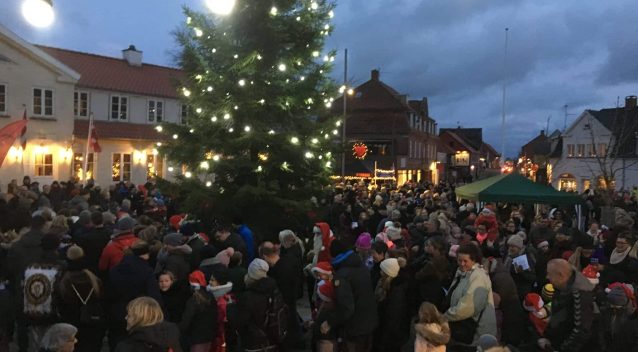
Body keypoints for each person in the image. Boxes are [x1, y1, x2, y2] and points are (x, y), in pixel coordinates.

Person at [322, 239, 378, 352]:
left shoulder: (342, 275)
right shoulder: (361, 266)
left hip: (355, 327)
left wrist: (330, 322)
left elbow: (346, 307)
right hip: (369, 322)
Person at [108, 240, 163, 350]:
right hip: (138, 312)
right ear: (146, 254)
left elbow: (108, 291)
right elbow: (153, 295)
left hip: (116, 310)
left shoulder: (115, 269)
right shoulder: (146, 271)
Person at [443, 243, 497, 346]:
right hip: (462, 327)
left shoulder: (478, 277)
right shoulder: (462, 272)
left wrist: (445, 316)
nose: (462, 264)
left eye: (465, 261)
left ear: (474, 260)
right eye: (459, 260)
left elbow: (468, 307)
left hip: (476, 332)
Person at [540, 259, 595, 352]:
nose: (547, 277)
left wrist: (563, 349)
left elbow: (582, 330)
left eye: (549, 274)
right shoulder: (561, 288)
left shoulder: (580, 295)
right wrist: (547, 337)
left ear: (561, 275)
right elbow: (557, 316)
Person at [238, 258, 280, 351]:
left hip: (254, 341)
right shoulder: (275, 290)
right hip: (274, 338)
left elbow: (242, 321)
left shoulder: (248, 296)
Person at [114, 296, 182, 352]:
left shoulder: (126, 347)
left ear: (140, 318)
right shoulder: (172, 341)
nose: (126, 318)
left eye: (129, 315)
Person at [180, 270, 218, 352]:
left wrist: (179, 330)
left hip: (196, 339)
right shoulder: (211, 297)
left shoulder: (193, 300)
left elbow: (186, 320)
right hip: (209, 337)